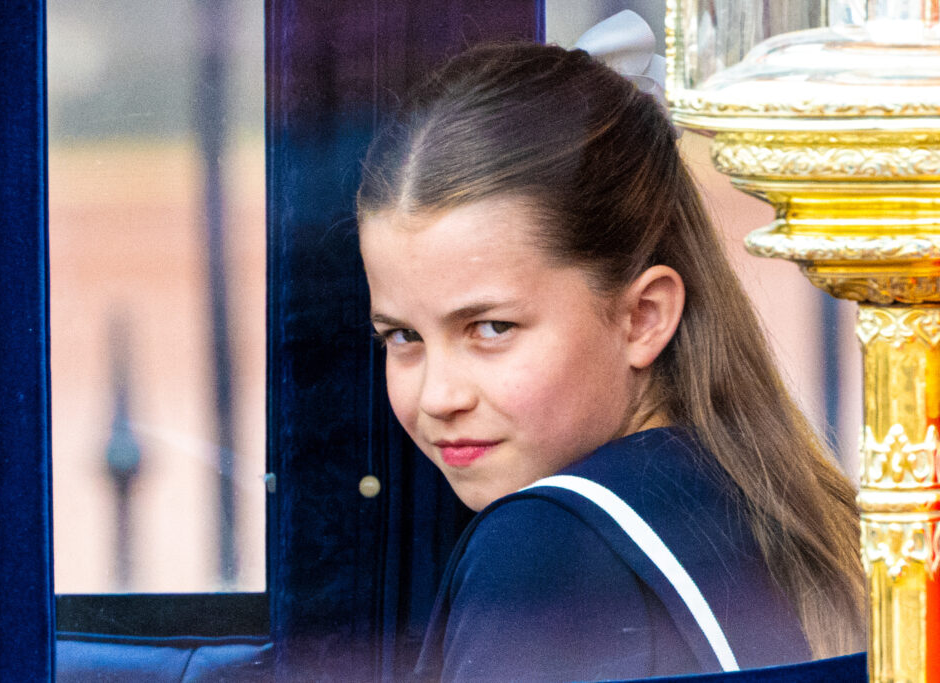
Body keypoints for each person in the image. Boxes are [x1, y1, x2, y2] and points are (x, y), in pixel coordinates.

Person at [356, 27, 866, 682]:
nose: (438, 396)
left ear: (642, 317)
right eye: (403, 337)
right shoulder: (765, 497)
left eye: (490, 328)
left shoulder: (542, 550)